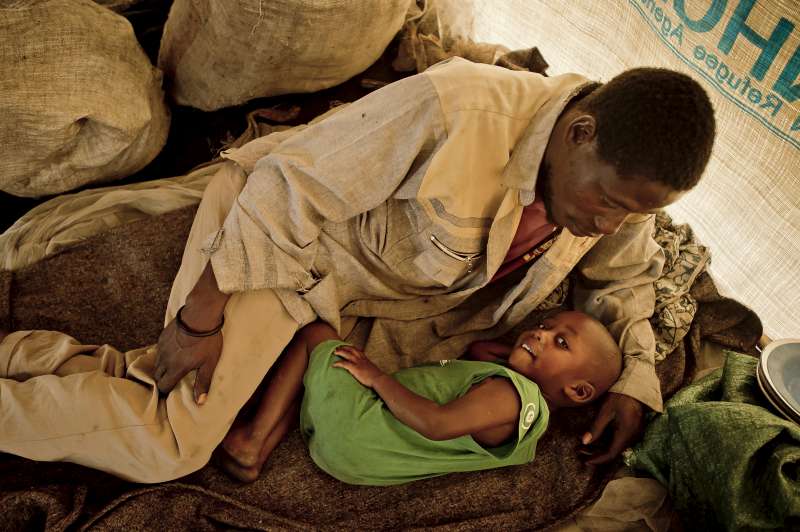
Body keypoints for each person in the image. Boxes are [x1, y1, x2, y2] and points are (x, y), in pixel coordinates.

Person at [0, 57, 715, 482]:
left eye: (635, 216)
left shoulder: (616, 188)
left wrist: (634, 380)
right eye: (610, 204)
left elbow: (626, 280)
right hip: (287, 249)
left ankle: (31, 363)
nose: (609, 227)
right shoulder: (459, 107)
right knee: (172, 445)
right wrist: (200, 318)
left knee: (154, 384)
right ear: (580, 133)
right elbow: (284, 194)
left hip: (363, 299)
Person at [218, 310, 622, 484]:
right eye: (543, 325)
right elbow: (481, 351)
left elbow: (437, 423)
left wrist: (376, 377)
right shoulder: (524, 421)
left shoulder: (513, 395)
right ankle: (264, 442)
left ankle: (251, 442)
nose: (540, 333)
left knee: (318, 337)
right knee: (322, 374)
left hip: (363, 426)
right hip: (354, 461)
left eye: (560, 342)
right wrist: (523, 355)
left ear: (579, 391)